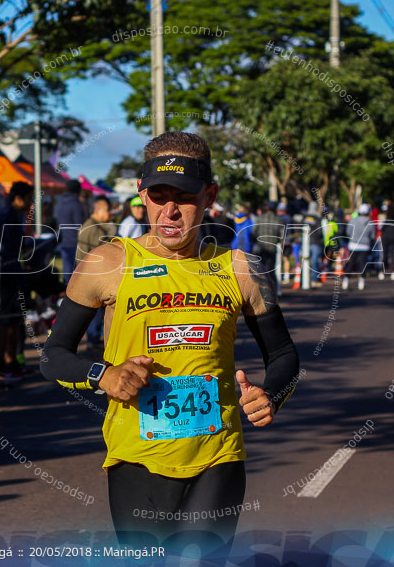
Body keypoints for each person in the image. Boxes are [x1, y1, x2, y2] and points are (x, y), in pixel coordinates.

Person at [41, 132, 300, 554]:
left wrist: (271, 394)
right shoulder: (108, 263)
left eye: (184, 195)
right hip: (136, 458)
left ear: (210, 195)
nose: (171, 210)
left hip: (218, 456)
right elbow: (53, 356)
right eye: (158, 196)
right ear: (141, 195)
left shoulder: (241, 269)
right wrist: (102, 376)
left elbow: (284, 355)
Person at [0, 182, 35, 382]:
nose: (30, 202)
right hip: (6, 276)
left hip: (14, 275)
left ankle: (12, 361)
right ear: (17, 197)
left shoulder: (14, 216)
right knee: (6, 321)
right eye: (28, 198)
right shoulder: (5, 217)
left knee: (15, 320)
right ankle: (1, 363)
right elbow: (3, 252)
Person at [76, 195, 118, 345]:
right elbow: (100, 252)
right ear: (99, 210)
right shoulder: (93, 227)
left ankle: (94, 340)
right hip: (92, 275)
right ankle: (93, 341)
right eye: (108, 210)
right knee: (94, 311)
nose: (110, 213)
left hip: (91, 273)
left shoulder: (94, 225)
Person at [56, 179, 86, 282]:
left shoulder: (60, 203)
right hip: (75, 243)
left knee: (67, 273)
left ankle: (66, 294)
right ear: (77, 190)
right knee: (77, 275)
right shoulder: (75, 204)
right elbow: (81, 225)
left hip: (64, 241)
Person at [344, 203, 375, 290]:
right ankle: (361, 281)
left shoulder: (353, 220)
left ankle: (346, 281)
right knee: (362, 264)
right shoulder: (370, 222)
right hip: (365, 246)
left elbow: (348, 232)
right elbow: (372, 236)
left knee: (351, 263)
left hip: (353, 245)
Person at [253, 202, 283, 276]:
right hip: (272, 247)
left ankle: (261, 285)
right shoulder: (278, 219)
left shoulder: (260, 218)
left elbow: (254, 232)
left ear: (267, 208)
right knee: (271, 269)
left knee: (260, 268)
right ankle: (271, 286)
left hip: (261, 247)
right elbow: (282, 235)